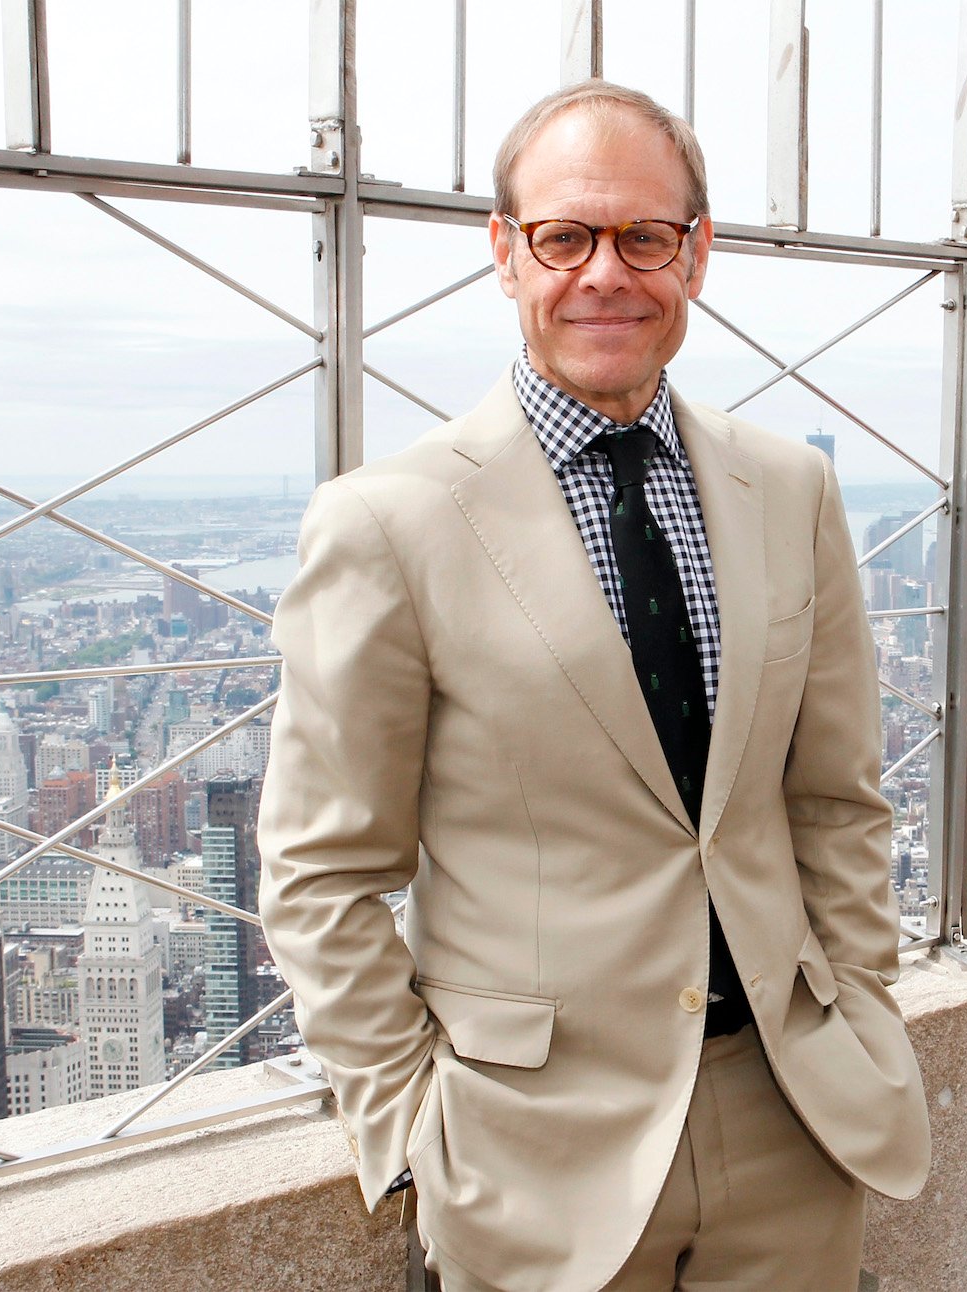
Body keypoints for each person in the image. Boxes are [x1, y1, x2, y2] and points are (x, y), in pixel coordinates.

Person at [257, 80, 930, 1292]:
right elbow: (320, 872)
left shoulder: (792, 490)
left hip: (788, 1116)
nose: (604, 274)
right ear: (506, 255)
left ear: (698, 252)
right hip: (525, 1155)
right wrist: (415, 1132)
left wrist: (861, 1013)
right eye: (564, 236)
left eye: (643, 237)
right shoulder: (388, 521)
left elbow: (834, 800)